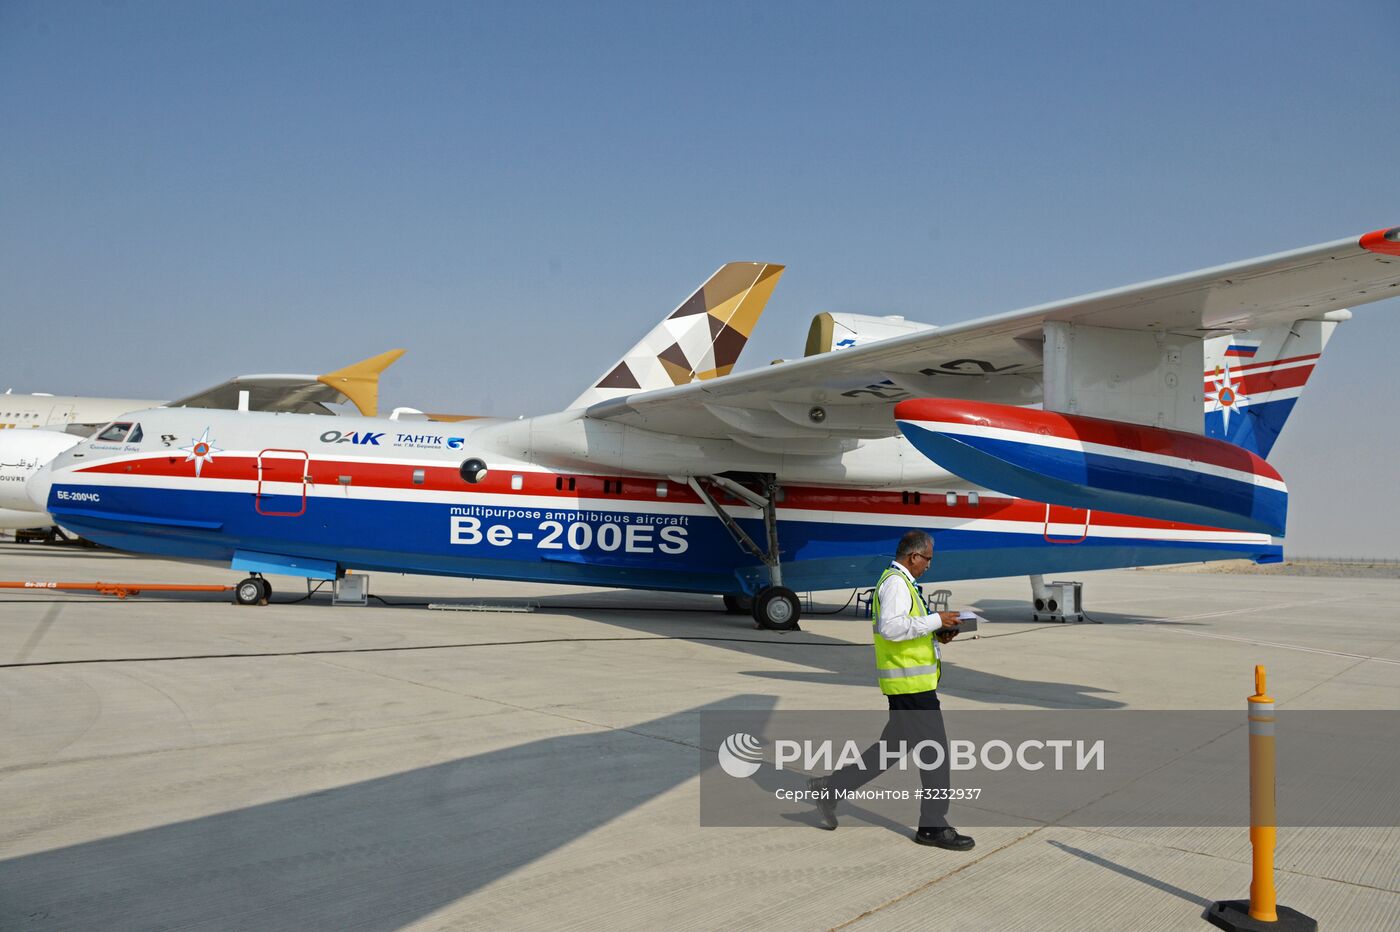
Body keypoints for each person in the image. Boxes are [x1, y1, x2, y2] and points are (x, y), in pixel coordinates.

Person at [807, 529, 975, 850]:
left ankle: (829, 789)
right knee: (936, 756)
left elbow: (907, 627)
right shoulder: (896, 584)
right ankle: (932, 826)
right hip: (910, 687)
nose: (928, 565)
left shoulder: (902, 583)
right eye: (928, 559)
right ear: (913, 557)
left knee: (890, 750)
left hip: (909, 684)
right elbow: (892, 627)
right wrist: (937, 619)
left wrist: (939, 634)